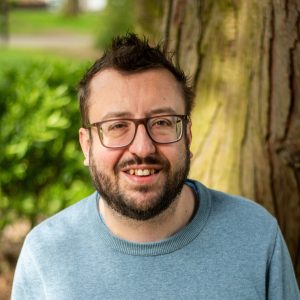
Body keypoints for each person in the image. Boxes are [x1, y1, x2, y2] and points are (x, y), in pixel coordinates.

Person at [12, 33, 299, 299]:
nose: (142, 148)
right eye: (117, 126)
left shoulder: (256, 236)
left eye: (162, 122)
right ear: (87, 145)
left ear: (187, 135)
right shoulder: (45, 255)